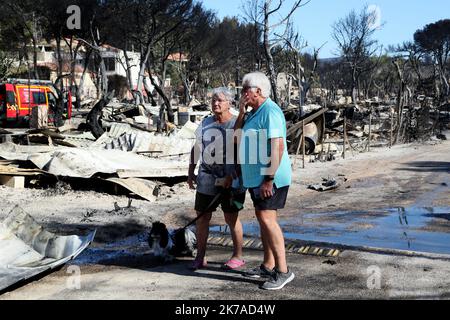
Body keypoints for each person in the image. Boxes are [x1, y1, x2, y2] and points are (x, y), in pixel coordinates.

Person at [234, 72, 294, 290]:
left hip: (270, 177)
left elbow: (278, 146)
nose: (242, 94)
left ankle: (283, 271)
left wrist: (269, 179)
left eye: (245, 90)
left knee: (268, 220)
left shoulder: (270, 111)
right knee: (263, 219)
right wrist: (241, 112)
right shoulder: (253, 113)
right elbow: (236, 135)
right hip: (256, 178)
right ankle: (268, 265)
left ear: (257, 91)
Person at [188, 87, 246, 270]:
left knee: (231, 217)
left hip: (232, 177)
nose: (216, 103)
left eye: (220, 100)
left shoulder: (238, 122)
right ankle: (200, 256)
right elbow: (196, 147)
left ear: (229, 103)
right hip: (207, 175)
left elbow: (244, 152)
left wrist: (235, 174)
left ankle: (238, 256)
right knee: (202, 217)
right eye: (213, 100)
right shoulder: (205, 123)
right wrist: (190, 172)